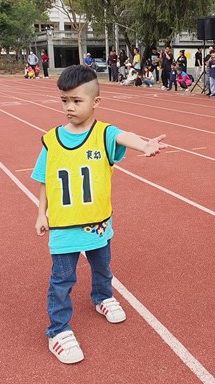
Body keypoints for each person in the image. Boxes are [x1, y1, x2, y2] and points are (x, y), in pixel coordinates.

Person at [32, 65, 166, 364]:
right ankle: (58, 330)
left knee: (103, 268)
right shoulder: (50, 140)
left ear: (96, 102)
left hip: (98, 224)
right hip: (64, 226)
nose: (69, 107)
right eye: (64, 100)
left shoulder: (103, 134)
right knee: (62, 280)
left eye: (77, 101)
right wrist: (41, 214)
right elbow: (44, 179)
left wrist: (145, 144)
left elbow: (124, 136)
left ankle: (102, 297)